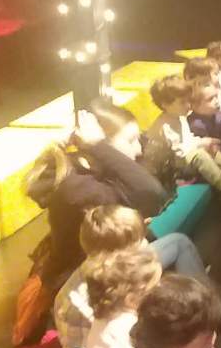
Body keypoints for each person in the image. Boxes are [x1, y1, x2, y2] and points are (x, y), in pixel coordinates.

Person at [28, 99, 170, 288]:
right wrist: (98, 145)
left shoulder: (96, 165)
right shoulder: (78, 189)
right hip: (82, 281)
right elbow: (152, 193)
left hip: (106, 264)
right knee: (179, 245)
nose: (138, 149)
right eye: (130, 140)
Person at [53, 205, 206, 348]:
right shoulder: (83, 306)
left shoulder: (122, 263)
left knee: (178, 242)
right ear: (119, 257)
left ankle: (208, 310)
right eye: (139, 242)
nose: (146, 243)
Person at [145, 75, 221, 206]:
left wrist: (203, 142)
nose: (188, 106)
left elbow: (187, 138)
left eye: (188, 101)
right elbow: (178, 151)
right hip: (173, 166)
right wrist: (200, 144)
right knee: (199, 155)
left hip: (183, 157)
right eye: (182, 102)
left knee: (210, 148)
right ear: (165, 105)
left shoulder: (179, 117)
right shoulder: (165, 127)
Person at [77, 247, 163, 348]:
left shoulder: (111, 315)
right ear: (131, 300)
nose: (161, 289)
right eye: (155, 287)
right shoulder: (120, 329)